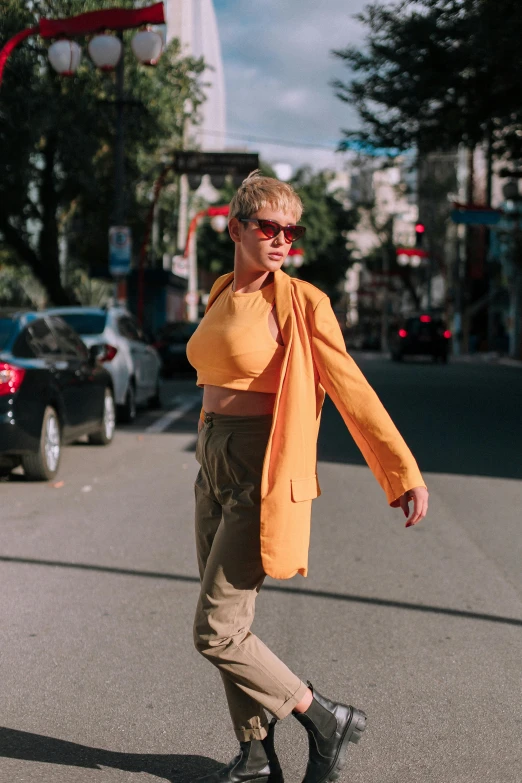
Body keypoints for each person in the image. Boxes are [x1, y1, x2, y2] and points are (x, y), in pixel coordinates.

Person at [186, 172, 428, 783]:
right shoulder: (219, 291)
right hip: (211, 459)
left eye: (290, 232)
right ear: (236, 228)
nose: (280, 240)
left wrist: (400, 471)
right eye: (269, 227)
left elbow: (351, 389)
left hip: (260, 467)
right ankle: (255, 757)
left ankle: (324, 717)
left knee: (215, 631)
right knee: (232, 629)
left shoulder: (300, 303)